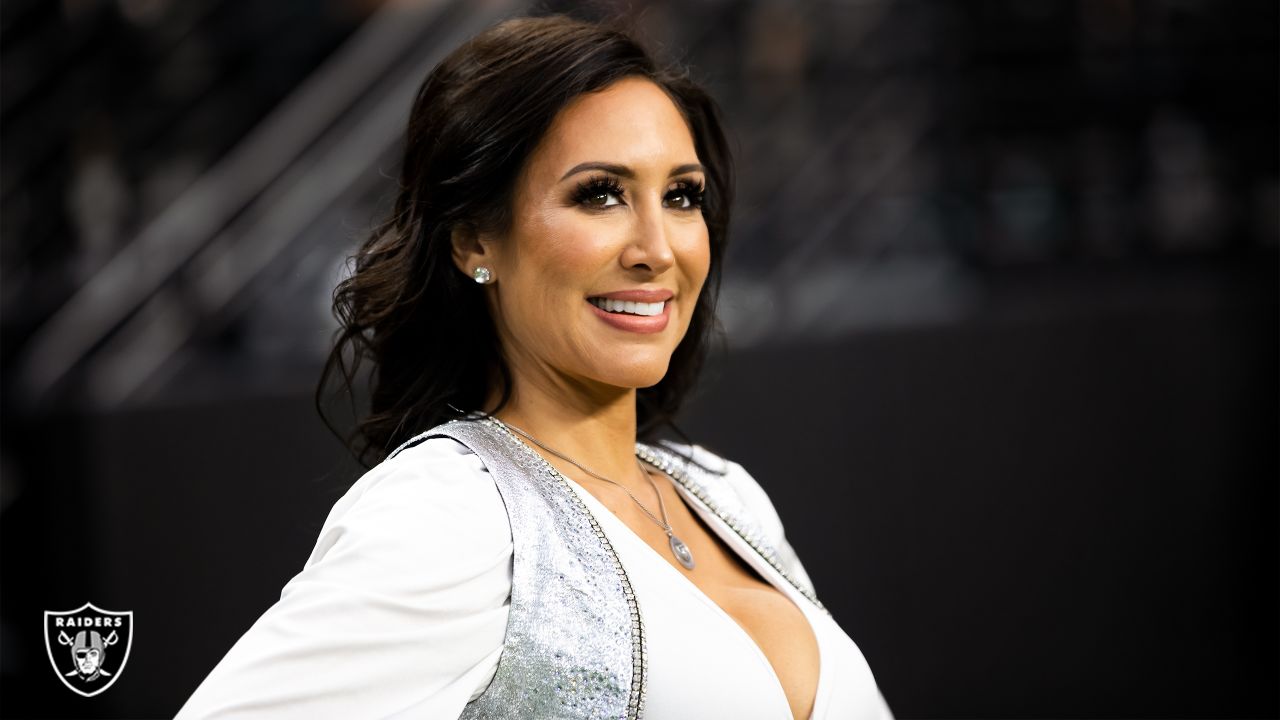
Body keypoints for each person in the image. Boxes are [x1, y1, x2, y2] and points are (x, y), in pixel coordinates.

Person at [176, 14, 893, 720]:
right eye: (599, 194)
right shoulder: (449, 513)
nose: (657, 248)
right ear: (474, 241)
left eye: (681, 196)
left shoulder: (727, 495)